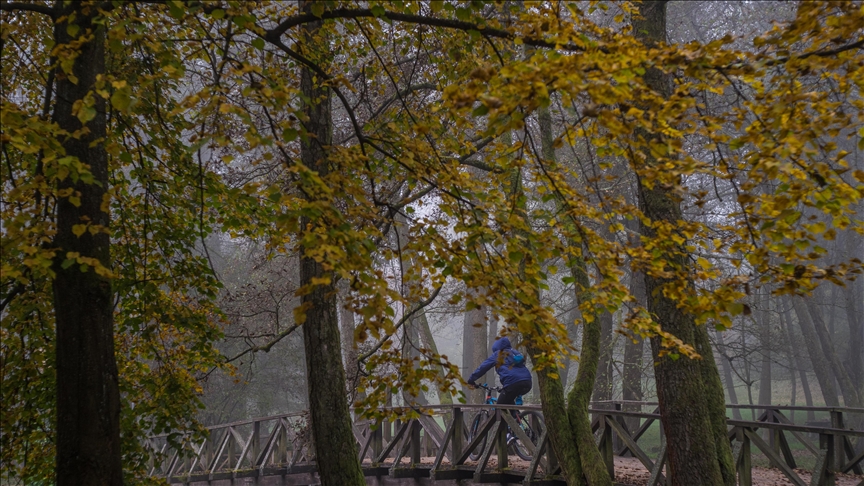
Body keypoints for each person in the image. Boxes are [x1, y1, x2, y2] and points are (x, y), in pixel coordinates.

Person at [466, 336, 532, 408]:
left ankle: (509, 418)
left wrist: (471, 380)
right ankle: (517, 417)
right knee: (508, 405)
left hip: (513, 383)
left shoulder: (498, 354)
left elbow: (483, 368)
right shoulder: (515, 352)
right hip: (527, 382)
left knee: (499, 409)